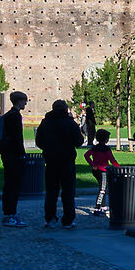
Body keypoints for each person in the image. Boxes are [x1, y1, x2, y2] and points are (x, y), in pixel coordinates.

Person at [37, 98, 85, 228]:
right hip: (67, 160)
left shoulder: (46, 122)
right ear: (65, 109)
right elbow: (79, 141)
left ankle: (50, 218)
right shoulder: (69, 123)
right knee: (68, 191)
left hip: (51, 160)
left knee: (51, 192)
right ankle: (68, 219)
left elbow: (39, 141)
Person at [0, 92, 29, 227]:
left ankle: (9, 213)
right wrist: (22, 153)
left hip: (7, 153)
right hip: (13, 155)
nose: (25, 104)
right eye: (24, 101)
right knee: (14, 185)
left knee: (9, 184)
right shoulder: (15, 116)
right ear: (19, 101)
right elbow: (17, 138)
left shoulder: (8, 115)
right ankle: (10, 214)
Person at [85, 129, 122, 223]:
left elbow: (86, 155)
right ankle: (97, 208)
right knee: (102, 189)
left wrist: (92, 164)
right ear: (106, 139)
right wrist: (119, 168)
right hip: (103, 171)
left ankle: (103, 206)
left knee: (104, 188)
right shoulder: (106, 149)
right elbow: (112, 160)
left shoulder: (94, 148)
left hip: (96, 170)